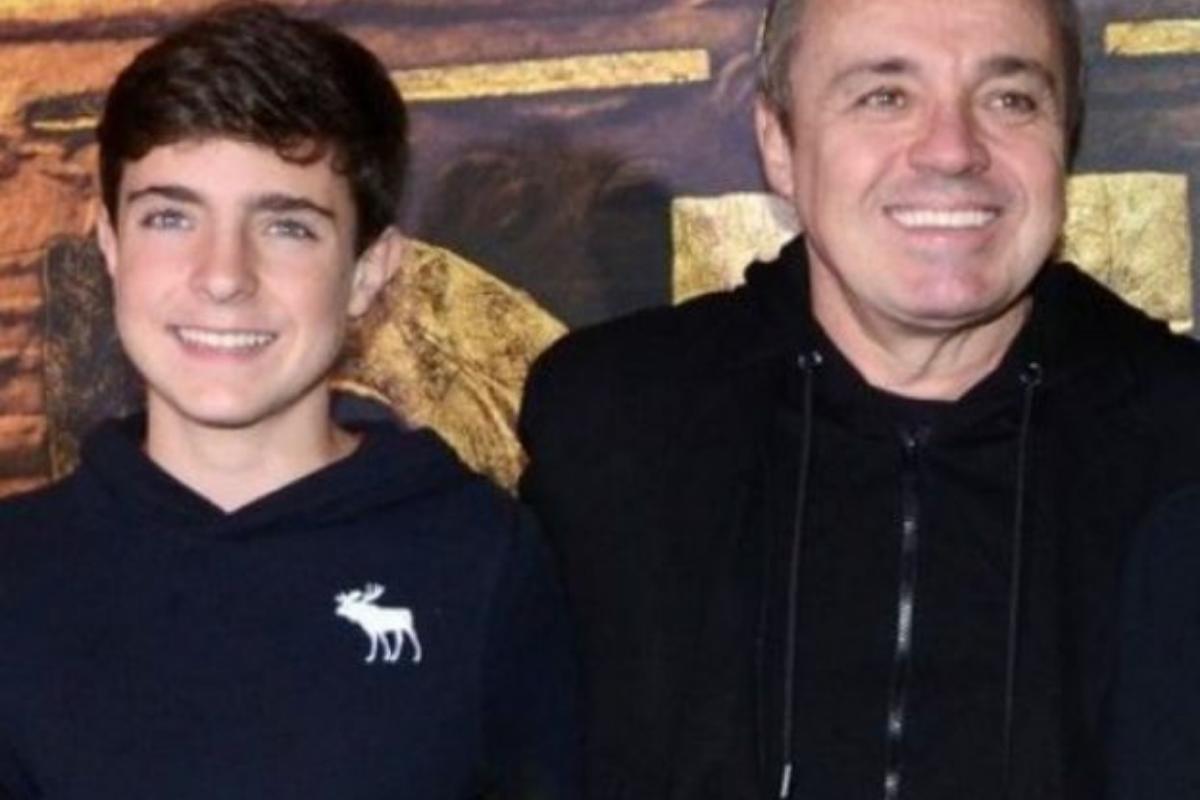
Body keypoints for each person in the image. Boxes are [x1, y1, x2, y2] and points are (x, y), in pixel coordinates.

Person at [517, 0, 1200, 797]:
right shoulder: (613, 427)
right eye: (885, 96)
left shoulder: (1182, 443)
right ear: (778, 143)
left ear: (1066, 138)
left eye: (1010, 99)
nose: (952, 150)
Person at [0, 4, 576, 798]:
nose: (223, 275)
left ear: (369, 273)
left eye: (287, 227)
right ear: (109, 246)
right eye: (170, 217)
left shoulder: (481, 561)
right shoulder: (18, 572)